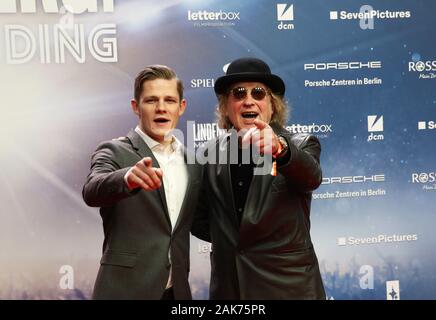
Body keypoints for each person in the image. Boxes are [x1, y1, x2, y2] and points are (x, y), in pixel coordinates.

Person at [192, 57, 326, 299]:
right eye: (239, 93)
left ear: (272, 105)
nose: (248, 100)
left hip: (288, 288)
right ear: (226, 107)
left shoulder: (300, 144)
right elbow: (198, 218)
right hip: (230, 289)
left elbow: (311, 178)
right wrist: (232, 241)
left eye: (258, 93)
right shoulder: (209, 154)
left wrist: (280, 150)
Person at [82, 65, 202, 300]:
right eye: (151, 100)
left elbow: (197, 222)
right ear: (136, 107)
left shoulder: (192, 162)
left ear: (181, 107)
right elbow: (92, 189)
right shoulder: (113, 151)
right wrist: (127, 178)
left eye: (169, 100)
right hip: (125, 290)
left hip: (176, 292)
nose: (161, 108)